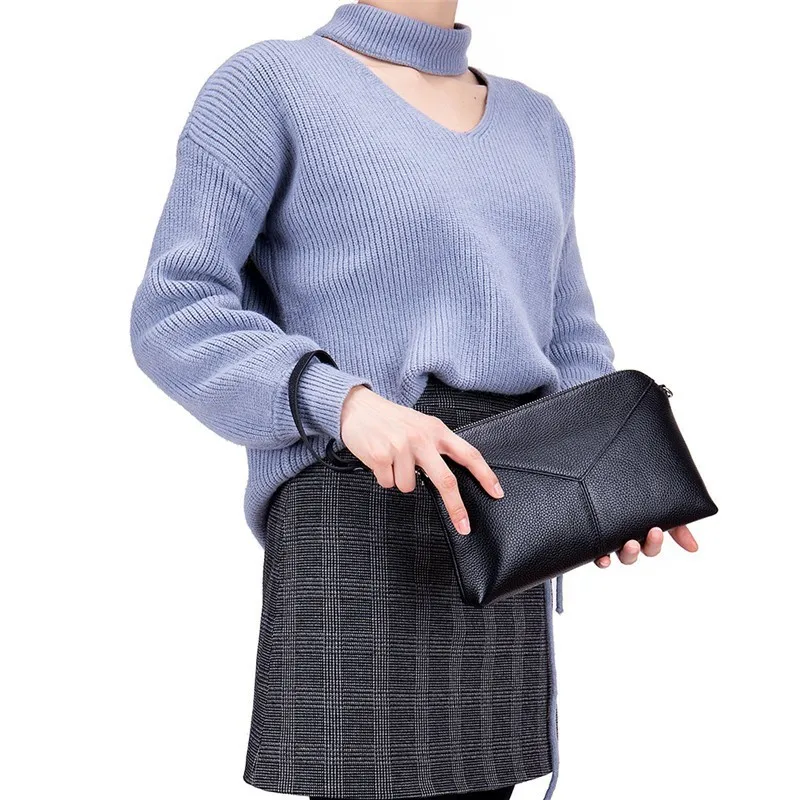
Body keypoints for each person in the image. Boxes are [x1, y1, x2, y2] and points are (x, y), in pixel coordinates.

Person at [129, 2, 699, 799]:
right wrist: (342, 402)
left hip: (508, 513)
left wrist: (607, 483)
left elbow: (569, 339)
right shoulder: (269, 84)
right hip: (359, 506)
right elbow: (174, 309)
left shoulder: (536, 122)